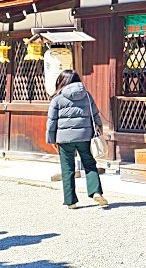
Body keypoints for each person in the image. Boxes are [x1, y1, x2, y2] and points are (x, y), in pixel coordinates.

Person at [45, 70, 108, 209]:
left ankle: (71, 201)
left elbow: (51, 122)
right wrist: (99, 133)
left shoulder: (57, 98)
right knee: (90, 164)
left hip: (63, 138)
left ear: (61, 81)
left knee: (67, 168)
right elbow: (95, 115)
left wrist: (51, 140)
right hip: (85, 136)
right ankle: (95, 191)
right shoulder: (86, 95)